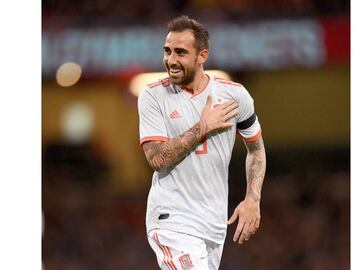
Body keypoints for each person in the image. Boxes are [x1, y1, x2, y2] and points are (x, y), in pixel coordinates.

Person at [137, 15, 266, 270]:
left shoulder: (234, 95)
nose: (171, 60)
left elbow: (256, 148)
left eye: (180, 52)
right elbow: (156, 159)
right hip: (172, 220)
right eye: (167, 51)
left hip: (214, 226)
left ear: (202, 56)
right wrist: (201, 128)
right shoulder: (153, 97)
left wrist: (253, 198)